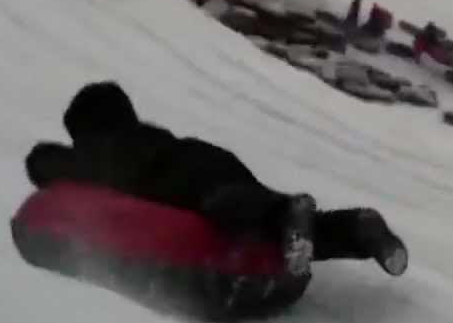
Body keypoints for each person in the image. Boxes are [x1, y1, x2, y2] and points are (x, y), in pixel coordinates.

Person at [25, 81, 408, 279]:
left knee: (228, 208)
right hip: (204, 156)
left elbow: (44, 162)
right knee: (270, 224)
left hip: (185, 176)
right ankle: (356, 228)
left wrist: (51, 164)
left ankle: (292, 212)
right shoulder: (144, 136)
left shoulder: (104, 153)